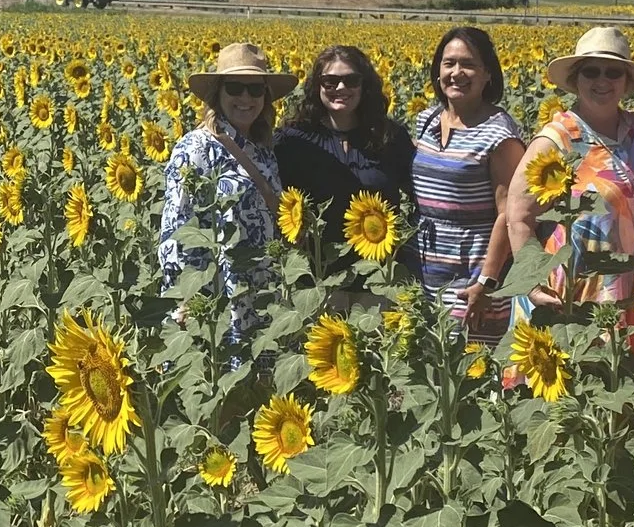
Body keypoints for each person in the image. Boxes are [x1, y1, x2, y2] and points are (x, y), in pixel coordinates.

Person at [473, 25, 634, 320]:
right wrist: (531, 284)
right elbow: (518, 217)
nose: (602, 81)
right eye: (591, 72)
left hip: (627, 285)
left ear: (626, 82)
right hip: (567, 292)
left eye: (613, 72)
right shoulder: (557, 138)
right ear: (575, 79)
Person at [159, 42, 293, 333]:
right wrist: (187, 298)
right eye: (235, 87)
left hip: (264, 299)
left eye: (256, 90)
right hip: (217, 306)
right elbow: (176, 233)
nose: (246, 97)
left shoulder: (264, 149)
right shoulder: (196, 148)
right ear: (217, 94)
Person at [409, 27, 525, 329]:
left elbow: (509, 214)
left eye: (468, 64)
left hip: (473, 276)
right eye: (449, 63)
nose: (457, 72)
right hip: (426, 270)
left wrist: (486, 282)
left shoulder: (499, 134)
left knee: (470, 366)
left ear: (488, 74)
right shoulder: (427, 120)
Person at [276, 44, 414, 253]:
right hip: (312, 272)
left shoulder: (390, 138)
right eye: (330, 81)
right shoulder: (293, 140)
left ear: (364, 85)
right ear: (317, 86)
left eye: (351, 80)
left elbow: (421, 193)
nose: (341, 88)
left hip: (380, 273)